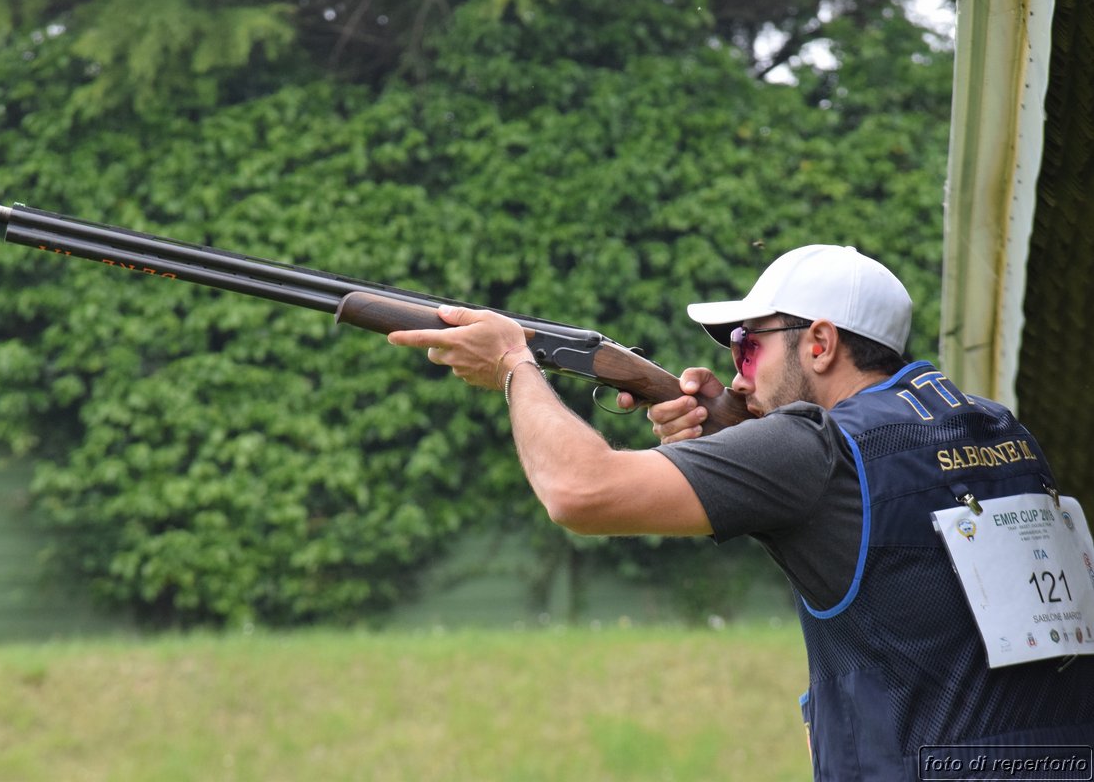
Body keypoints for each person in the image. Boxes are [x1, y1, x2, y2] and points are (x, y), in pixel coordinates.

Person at [387, 243, 1094, 780]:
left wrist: (516, 364)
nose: (733, 372)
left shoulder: (811, 447)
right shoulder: (991, 426)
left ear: (818, 343)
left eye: (749, 346)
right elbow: (883, 531)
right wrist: (736, 434)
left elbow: (579, 491)